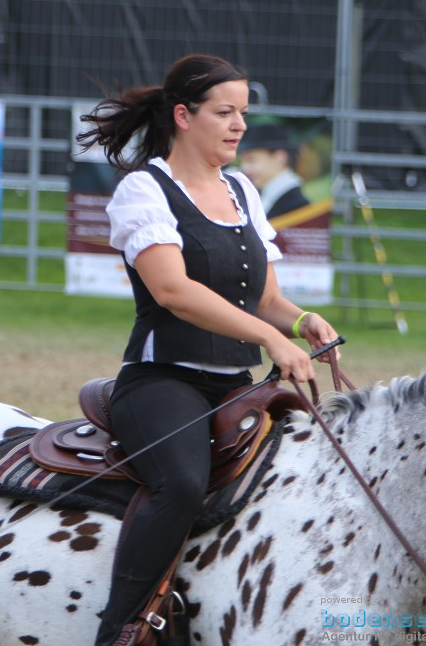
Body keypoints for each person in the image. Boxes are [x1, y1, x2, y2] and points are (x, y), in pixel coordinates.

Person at [77, 54, 340, 646]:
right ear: (183, 116)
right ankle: (122, 629)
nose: (240, 125)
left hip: (233, 384)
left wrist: (299, 321)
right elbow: (172, 290)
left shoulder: (244, 189)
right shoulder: (143, 189)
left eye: (243, 113)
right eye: (225, 112)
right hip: (160, 382)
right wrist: (270, 338)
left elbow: (265, 297)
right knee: (183, 486)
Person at [236, 119, 311, 220]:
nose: (244, 168)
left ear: (279, 158)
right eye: (243, 161)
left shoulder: (296, 207)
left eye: (251, 160)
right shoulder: (267, 196)